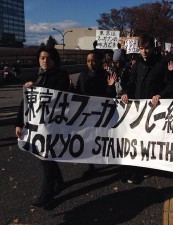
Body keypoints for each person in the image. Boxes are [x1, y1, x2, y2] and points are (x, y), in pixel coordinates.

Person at [15, 45, 70, 207]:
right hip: (37, 125)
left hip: (53, 125)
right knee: (45, 155)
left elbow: (60, 95)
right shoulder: (36, 76)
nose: (45, 61)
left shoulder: (61, 75)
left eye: (48, 58)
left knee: (45, 157)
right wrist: (19, 123)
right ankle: (59, 181)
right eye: (42, 58)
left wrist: (37, 89)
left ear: (54, 59)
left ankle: (47, 194)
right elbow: (26, 102)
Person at [121, 33, 166, 184]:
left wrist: (160, 95)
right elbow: (131, 82)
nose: (144, 51)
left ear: (152, 48)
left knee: (149, 139)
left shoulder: (160, 64)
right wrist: (125, 92)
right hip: (137, 108)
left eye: (147, 48)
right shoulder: (137, 64)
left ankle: (145, 168)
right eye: (141, 48)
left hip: (153, 109)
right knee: (136, 138)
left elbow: (169, 84)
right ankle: (135, 168)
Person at [74, 50, 117, 177]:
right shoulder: (82, 76)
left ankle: (106, 158)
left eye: (93, 60)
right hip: (86, 113)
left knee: (100, 138)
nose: (90, 63)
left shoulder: (105, 75)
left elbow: (111, 96)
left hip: (100, 113)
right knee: (87, 138)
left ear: (99, 61)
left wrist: (110, 86)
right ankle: (90, 165)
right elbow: (77, 93)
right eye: (88, 61)